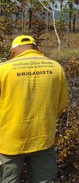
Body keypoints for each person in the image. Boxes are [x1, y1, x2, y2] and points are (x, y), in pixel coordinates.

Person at [0, 35, 68, 182]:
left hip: (8, 143)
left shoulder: (3, 70)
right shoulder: (56, 67)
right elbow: (61, 104)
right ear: (36, 49)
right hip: (43, 140)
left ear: (13, 52)